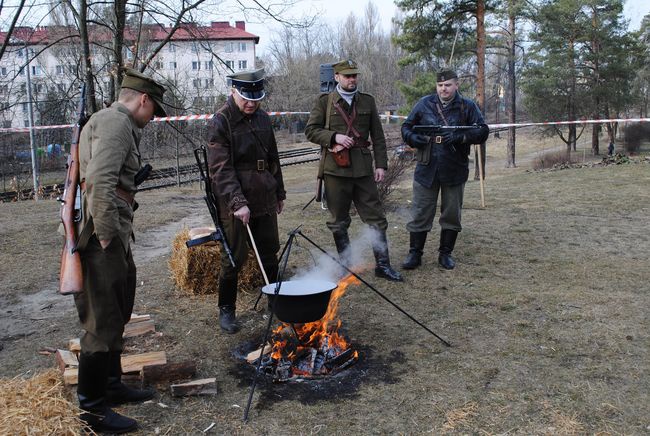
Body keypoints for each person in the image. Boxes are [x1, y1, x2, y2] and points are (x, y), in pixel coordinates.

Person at [74, 68, 167, 433]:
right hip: (102, 237)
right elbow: (99, 181)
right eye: (153, 110)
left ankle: (111, 385)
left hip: (111, 233)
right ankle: (93, 410)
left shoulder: (115, 122)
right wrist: (109, 235)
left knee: (118, 307)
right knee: (101, 320)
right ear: (143, 99)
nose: (152, 118)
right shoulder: (115, 123)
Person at [305, 59, 403, 282]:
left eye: (354, 75)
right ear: (337, 77)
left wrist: (381, 164)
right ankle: (346, 265)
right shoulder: (325, 102)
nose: (352, 79)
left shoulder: (367, 101)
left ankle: (383, 266)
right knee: (338, 220)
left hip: (363, 170)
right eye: (347, 76)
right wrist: (333, 137)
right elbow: (311, 131)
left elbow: (377, 135)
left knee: (376, 218)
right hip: (335, 170)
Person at [207, 69, 286, 333]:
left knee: (269, 252)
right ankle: (226, 310)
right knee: (234, 258)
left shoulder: (263, 118)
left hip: (264, 193)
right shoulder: (222, 121)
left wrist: (279, 192)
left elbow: (273, 157)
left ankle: (275, 302)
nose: (251, 103)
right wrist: (238, 202)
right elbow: (220, 169)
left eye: (256, 98)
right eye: (246, 98)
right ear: (233, 91)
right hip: (235, 201)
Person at [401, 69, 489, 270]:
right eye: (440, 85)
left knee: (451, 213)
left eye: (448, 85)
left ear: (456, 85)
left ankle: (445, 254)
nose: (443, 89)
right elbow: (406, 127)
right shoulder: (424, 104)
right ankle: (415, 253)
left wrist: (462, 137)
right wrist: (413, 139)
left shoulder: (467, 107)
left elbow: (482, 131)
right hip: (427, 166)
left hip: (454, 167)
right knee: (420, 212)